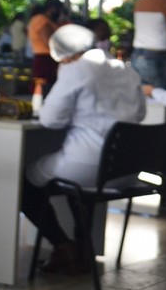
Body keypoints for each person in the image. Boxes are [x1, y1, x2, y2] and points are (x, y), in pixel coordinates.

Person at [22, 23, 146, 275]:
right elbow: (141, 113)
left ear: (63, 54)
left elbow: (49, 120)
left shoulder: (76, 70)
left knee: (23, 183)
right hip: (124, 169)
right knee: (79, 186)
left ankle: (63, 245)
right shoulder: (125, 70)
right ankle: (83, 247)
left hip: (86, 166)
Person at [28, 0, 65, 95]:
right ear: (52, 8)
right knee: (43, 91)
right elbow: (49, 42)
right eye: (60, 10)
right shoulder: (41, 20)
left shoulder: (45, 20)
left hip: (47, 59)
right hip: (45, 60)